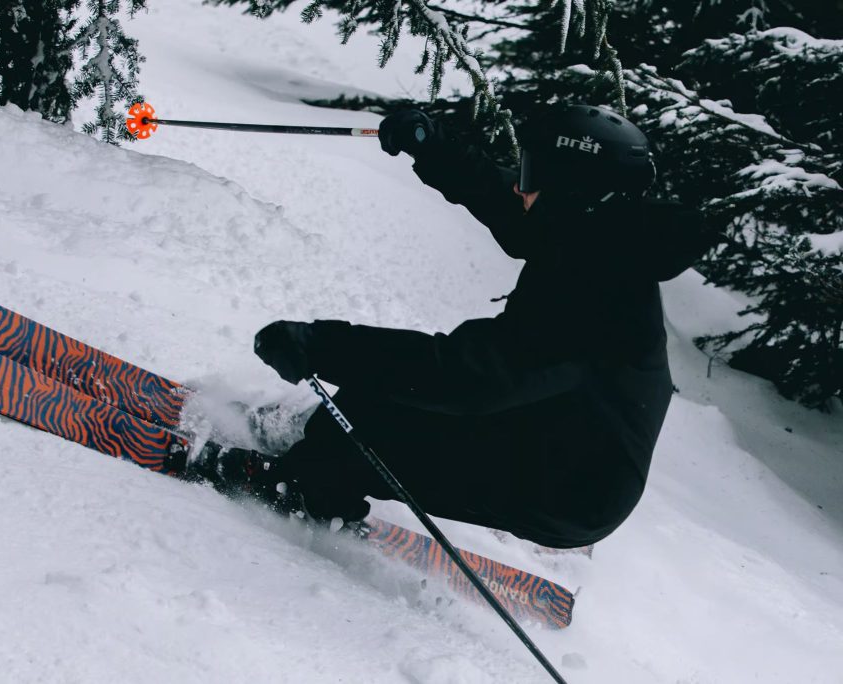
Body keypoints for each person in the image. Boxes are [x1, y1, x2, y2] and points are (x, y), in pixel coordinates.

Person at [190, 103, 717, 549]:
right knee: (376, 396)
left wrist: (320, 346)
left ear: (571, 189)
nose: (521, 185)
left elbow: (465, 377)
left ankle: (307, 493)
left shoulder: (596, 291)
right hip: (555, 435)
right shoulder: (598, 231)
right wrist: (433, 146)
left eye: (533, 173)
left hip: (569, 488)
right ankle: (322, 447)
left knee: (380, 408)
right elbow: (505, 200)